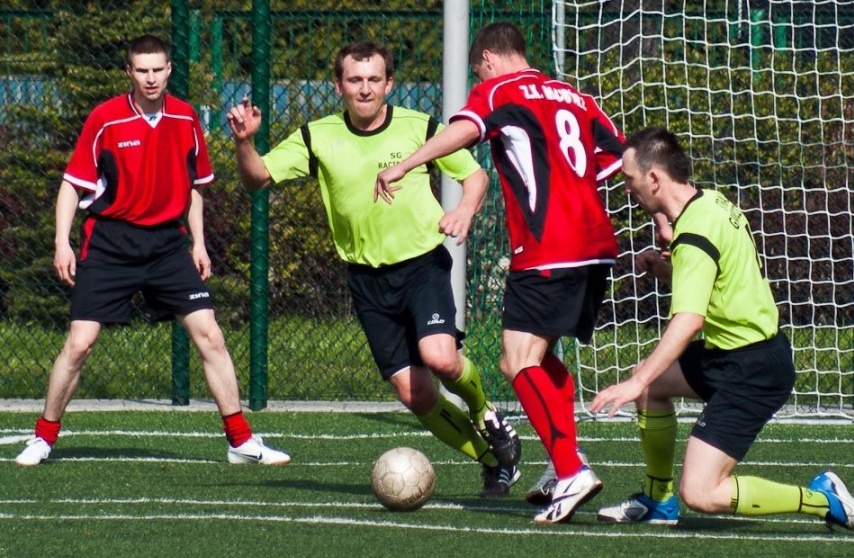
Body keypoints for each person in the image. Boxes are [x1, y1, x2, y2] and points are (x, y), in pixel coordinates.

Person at [226, 40, 521, 497]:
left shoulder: (418, 126)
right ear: (339, 85)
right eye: (355, 80)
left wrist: (464, 208)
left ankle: (488, 416)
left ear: (389, 84)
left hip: (422, 265)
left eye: (374, 80)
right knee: (415, 395)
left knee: (441, 358)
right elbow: (257, 178)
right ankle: (493, 462)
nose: (365, 89)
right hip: (366, 279)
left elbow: (475, 175)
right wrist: (244, 142)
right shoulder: (316, 135)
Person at [376, 23, 627, 524]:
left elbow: (465, 129)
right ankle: (566, 469)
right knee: (541, 357)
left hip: (546, 247)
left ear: (488, 58)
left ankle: (570, 468)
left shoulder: (498, 89)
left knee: (516, 362)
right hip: (596, 245)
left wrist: (406, 164)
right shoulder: (574, 96)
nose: (477, 76)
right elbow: (617, 157)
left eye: (476, 69)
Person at [14, 35, 289, 467]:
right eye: (142, 70)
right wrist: (61, 242)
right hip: (109, 244)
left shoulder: (185, 117)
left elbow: (196, 187)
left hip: (167, 247)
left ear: (169, 70)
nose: (151, 78)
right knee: (80, 343)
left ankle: (241, 441)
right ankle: (43, 437)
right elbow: (73, 184)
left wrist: (198, 242)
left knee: (211, 336)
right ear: (129, 73)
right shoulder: (105, 119)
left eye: (158, 69)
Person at [589, 126, 854, 536]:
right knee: (655, 387)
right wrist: (669, 270)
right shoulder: (708, 202)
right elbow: (715, 277)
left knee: (703, 493)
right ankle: (658, 500)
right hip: (729, 353)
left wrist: (634, 382)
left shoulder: (694, 233)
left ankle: (826, 500)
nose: (628, 188)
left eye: (630, 180)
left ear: (654, 179)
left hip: (752, 369)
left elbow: (689, 320)